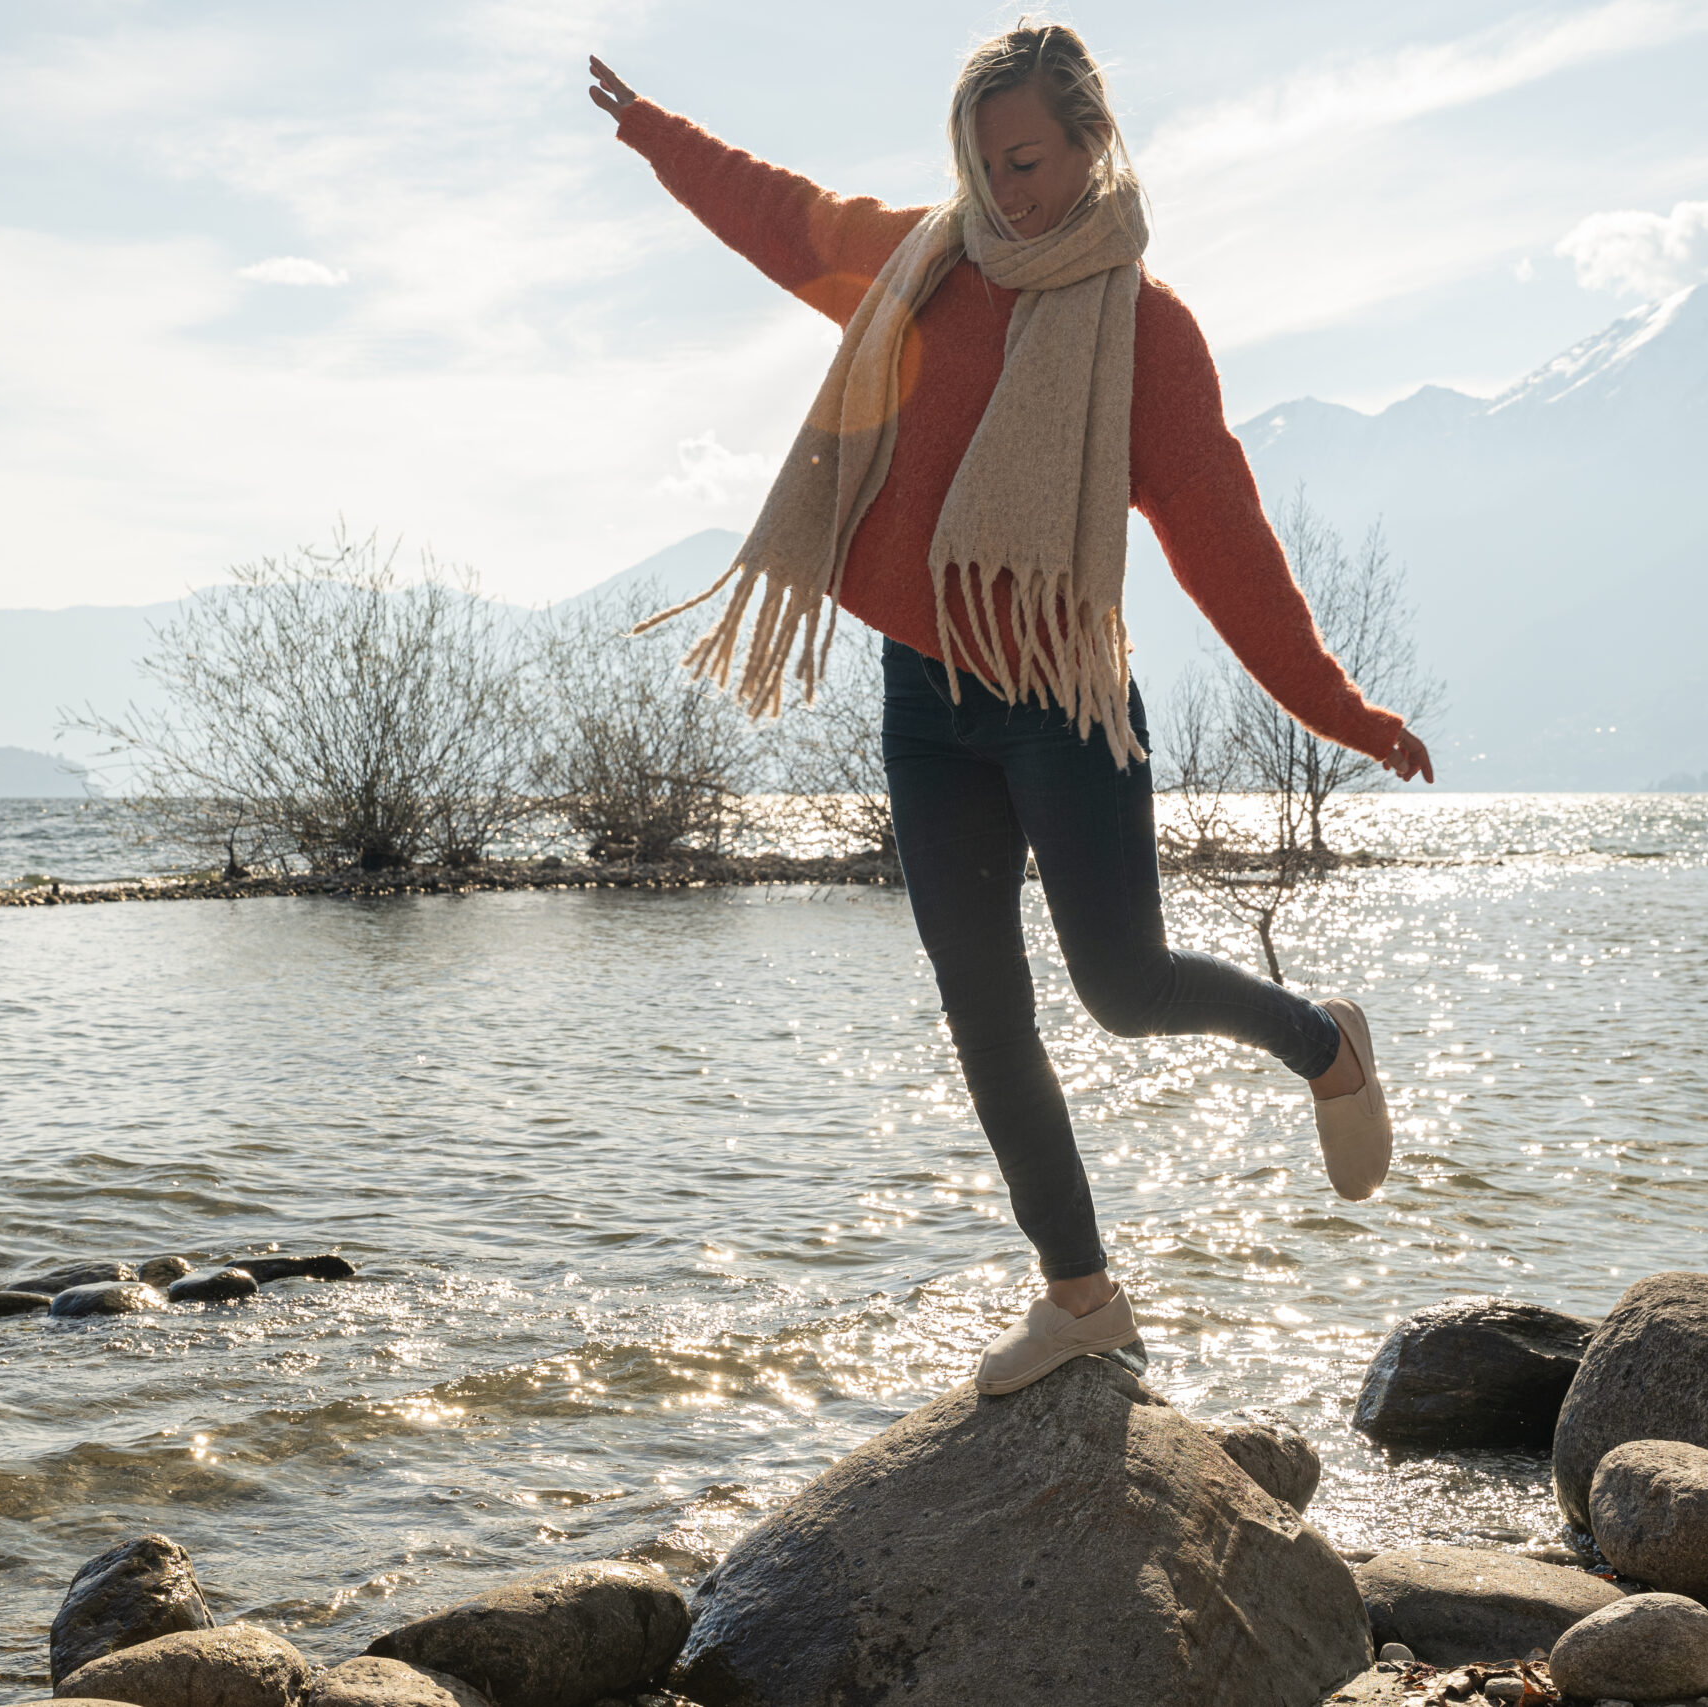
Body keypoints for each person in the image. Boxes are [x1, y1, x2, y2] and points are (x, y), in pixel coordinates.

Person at [587, 23, 1435, 1396]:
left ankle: (1324, 1044)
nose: (1005, 193)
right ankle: (1082, 1296)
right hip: (927, 698)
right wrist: (655, 134)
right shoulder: (923, 263)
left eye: (1028, 161)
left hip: (1057, 694)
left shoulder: (1145, 334)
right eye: (982, 165)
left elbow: (1223, 536)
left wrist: (1341, 709)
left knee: (1123, 988)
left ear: (1093, 145)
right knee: (981, 1006)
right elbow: (781, 218)